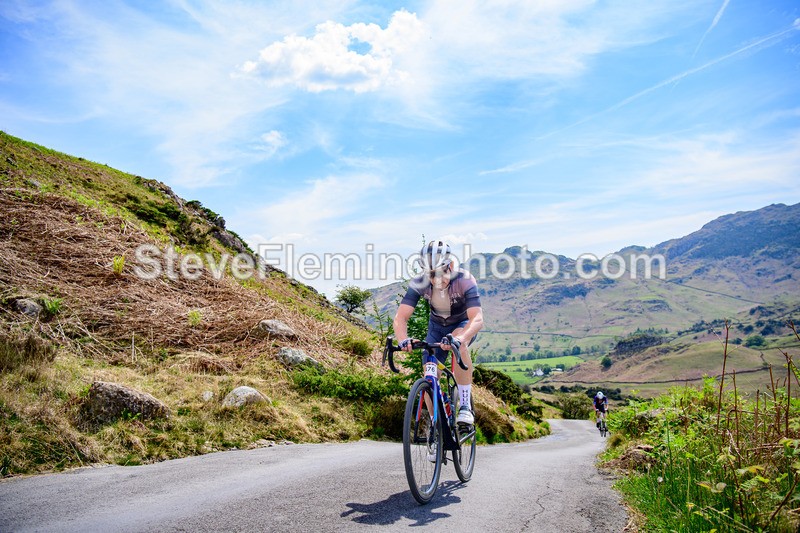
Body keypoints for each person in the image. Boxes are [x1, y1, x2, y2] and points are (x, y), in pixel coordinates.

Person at [393, 238, 484, 425]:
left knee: (459, 344)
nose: (437, 280)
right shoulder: (419, 283)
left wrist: (462, 338)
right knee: (429, 374)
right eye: (431, 275)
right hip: (436, 327)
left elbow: (477, 318)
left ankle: (465, 406)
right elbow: (401, 317)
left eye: (441, 273)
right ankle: (436, 426)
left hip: (462, 323)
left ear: (450, 265)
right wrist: (403, 340)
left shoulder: (465, 280)